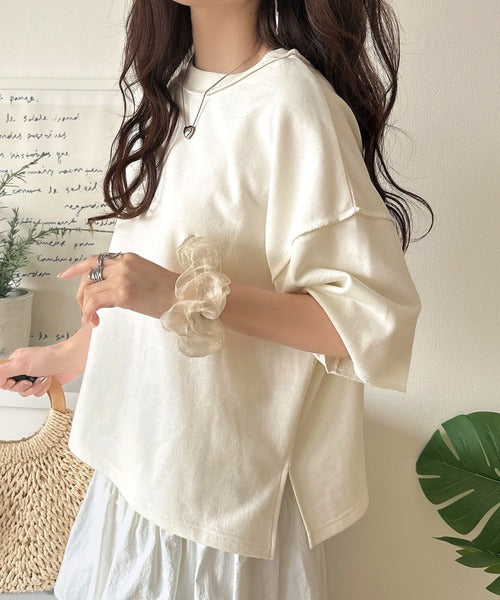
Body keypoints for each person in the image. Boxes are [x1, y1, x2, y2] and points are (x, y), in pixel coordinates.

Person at [0, 0, 433, 598]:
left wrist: (177, 291)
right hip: (130, 486)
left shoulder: (292, 102)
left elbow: (367, 322)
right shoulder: (168, 93)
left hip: (217, 515)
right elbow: (148, 311)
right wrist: (68, 356)